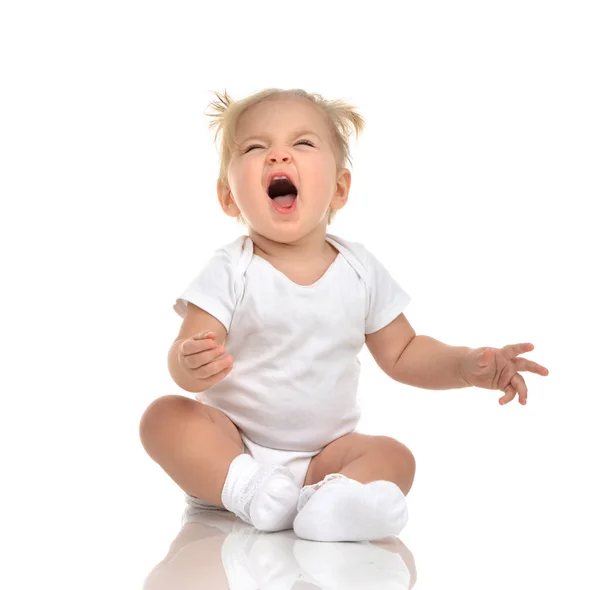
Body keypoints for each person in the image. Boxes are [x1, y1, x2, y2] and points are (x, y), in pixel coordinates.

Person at [139, 88, 550, 543]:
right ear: (229, 197)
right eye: (256, 148)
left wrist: (464, 365)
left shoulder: (359, 270)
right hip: (231, 446)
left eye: (303, 144)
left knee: (395, 457)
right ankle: (249, 490)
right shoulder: (230, 268)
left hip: (325, 458)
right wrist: (189, 363)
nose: (278, 156)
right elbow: (188, 355)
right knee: (163, 419)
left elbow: (405, 352)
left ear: (339, 188)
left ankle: (332, 505)